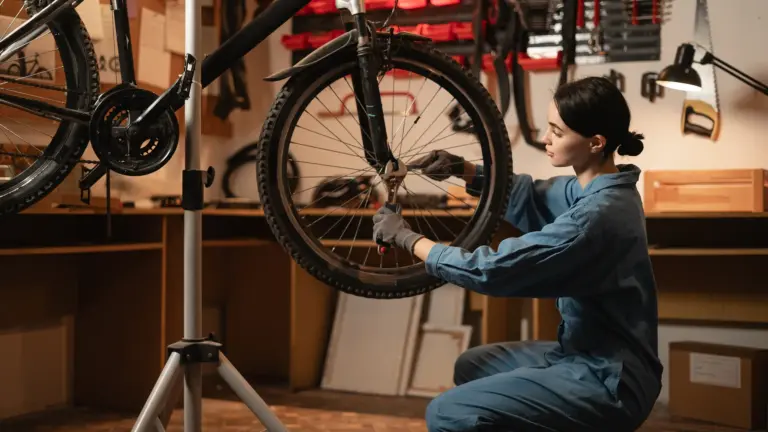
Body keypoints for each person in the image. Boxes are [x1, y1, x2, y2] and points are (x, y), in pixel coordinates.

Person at [372, 76, 663, 432]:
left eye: (556, 132)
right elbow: (532, 196)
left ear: (595, 142)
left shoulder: (597, 216)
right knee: (472, 364)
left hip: (608, 379)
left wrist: (406, 238)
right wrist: (463, 170)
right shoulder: (599, 189)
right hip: (582, 355)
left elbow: (492, 270)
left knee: (447, 413)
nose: (544, 139)